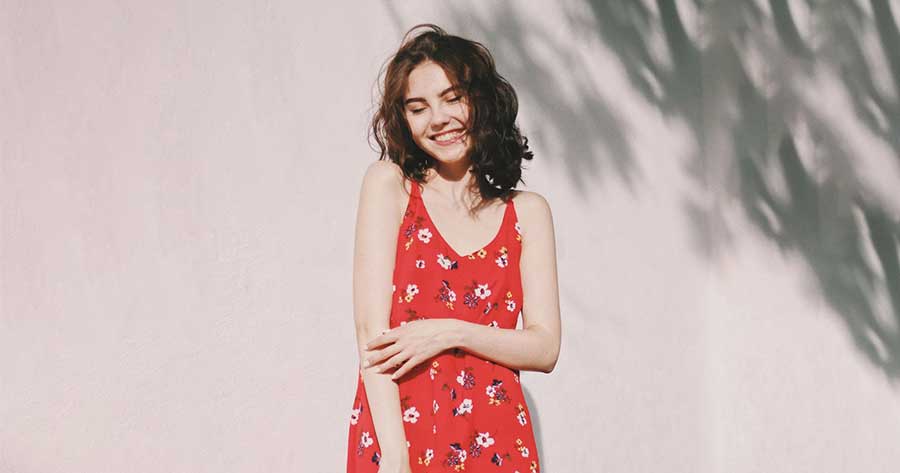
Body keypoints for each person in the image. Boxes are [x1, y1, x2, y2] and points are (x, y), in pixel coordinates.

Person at [346, 24, 561, 473]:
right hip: (401, 435)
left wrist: (451, 331)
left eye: (452, 98)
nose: (438, 119)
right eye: (417, 107)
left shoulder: (527, 213)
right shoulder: (390, 187)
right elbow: (372, 334)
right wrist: (396, 458)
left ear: (481, 101)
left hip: (496, 438)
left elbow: (544, 348)